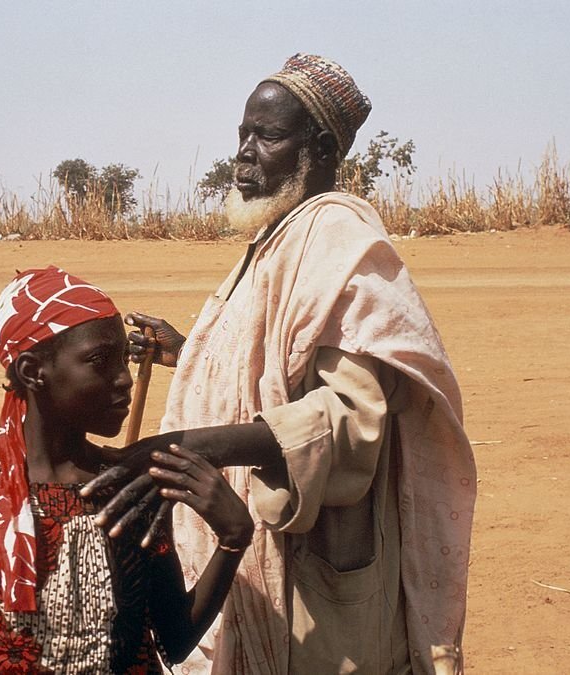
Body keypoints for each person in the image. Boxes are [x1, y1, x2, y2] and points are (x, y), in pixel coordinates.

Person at [83, 54, 477, 674]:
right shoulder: (280, 234)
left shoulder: (341, 240)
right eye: (242, 134)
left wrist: (191, 447)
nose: (243, 155)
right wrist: (190, 353)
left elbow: (351, 416)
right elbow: (278, 362)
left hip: (318, 562)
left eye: (266, 137)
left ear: (319, 149)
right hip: (263, 554)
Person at [0, 266, 254, 674]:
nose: (124, 380)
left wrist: (233, 539)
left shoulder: (131, 487)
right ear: (32, 372)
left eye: (123, 360)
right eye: (99, 361)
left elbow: (174, 640)